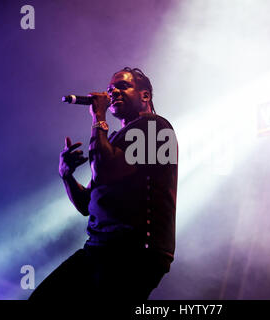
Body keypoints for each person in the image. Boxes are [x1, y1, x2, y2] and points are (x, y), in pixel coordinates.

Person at [29, 67, 178, 301]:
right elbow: (87, 205)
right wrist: (66, 175)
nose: (113, 93)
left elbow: (105, 169)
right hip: (101, 247)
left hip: (133, 251)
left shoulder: (154, 127)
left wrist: (98, 117)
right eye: (110, 89)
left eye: (122, 86)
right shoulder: (116, 140)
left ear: (145, 96)